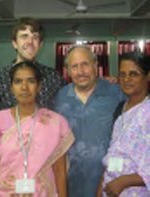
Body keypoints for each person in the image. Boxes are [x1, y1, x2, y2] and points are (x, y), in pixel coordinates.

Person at [0, 61, 74, 197]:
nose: (24, 87)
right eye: (18, 81)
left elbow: (59, 171)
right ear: (12, 87)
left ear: (39, 87)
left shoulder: (55, 122)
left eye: (31, 81)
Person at [54, 45, 126, 197]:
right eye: (74, 66)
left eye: (85, 64)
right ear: (67, 71)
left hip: (108, 182)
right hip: (71, 183)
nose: (80, 72)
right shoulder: (60, 98)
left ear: (95, 65)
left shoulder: (116, 93)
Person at [0, 17, 67, 113]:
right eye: (24, 36)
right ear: (15, 43)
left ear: (40, 45)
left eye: (35, 37)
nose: (30, 42)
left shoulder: (54, 78)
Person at [97, 51, 150, 197]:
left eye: (134, 74)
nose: (126, 79)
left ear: (148, 75)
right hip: (110, 188)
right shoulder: (120, 109)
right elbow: (113, 153)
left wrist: (124, 181)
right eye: (122, 74)